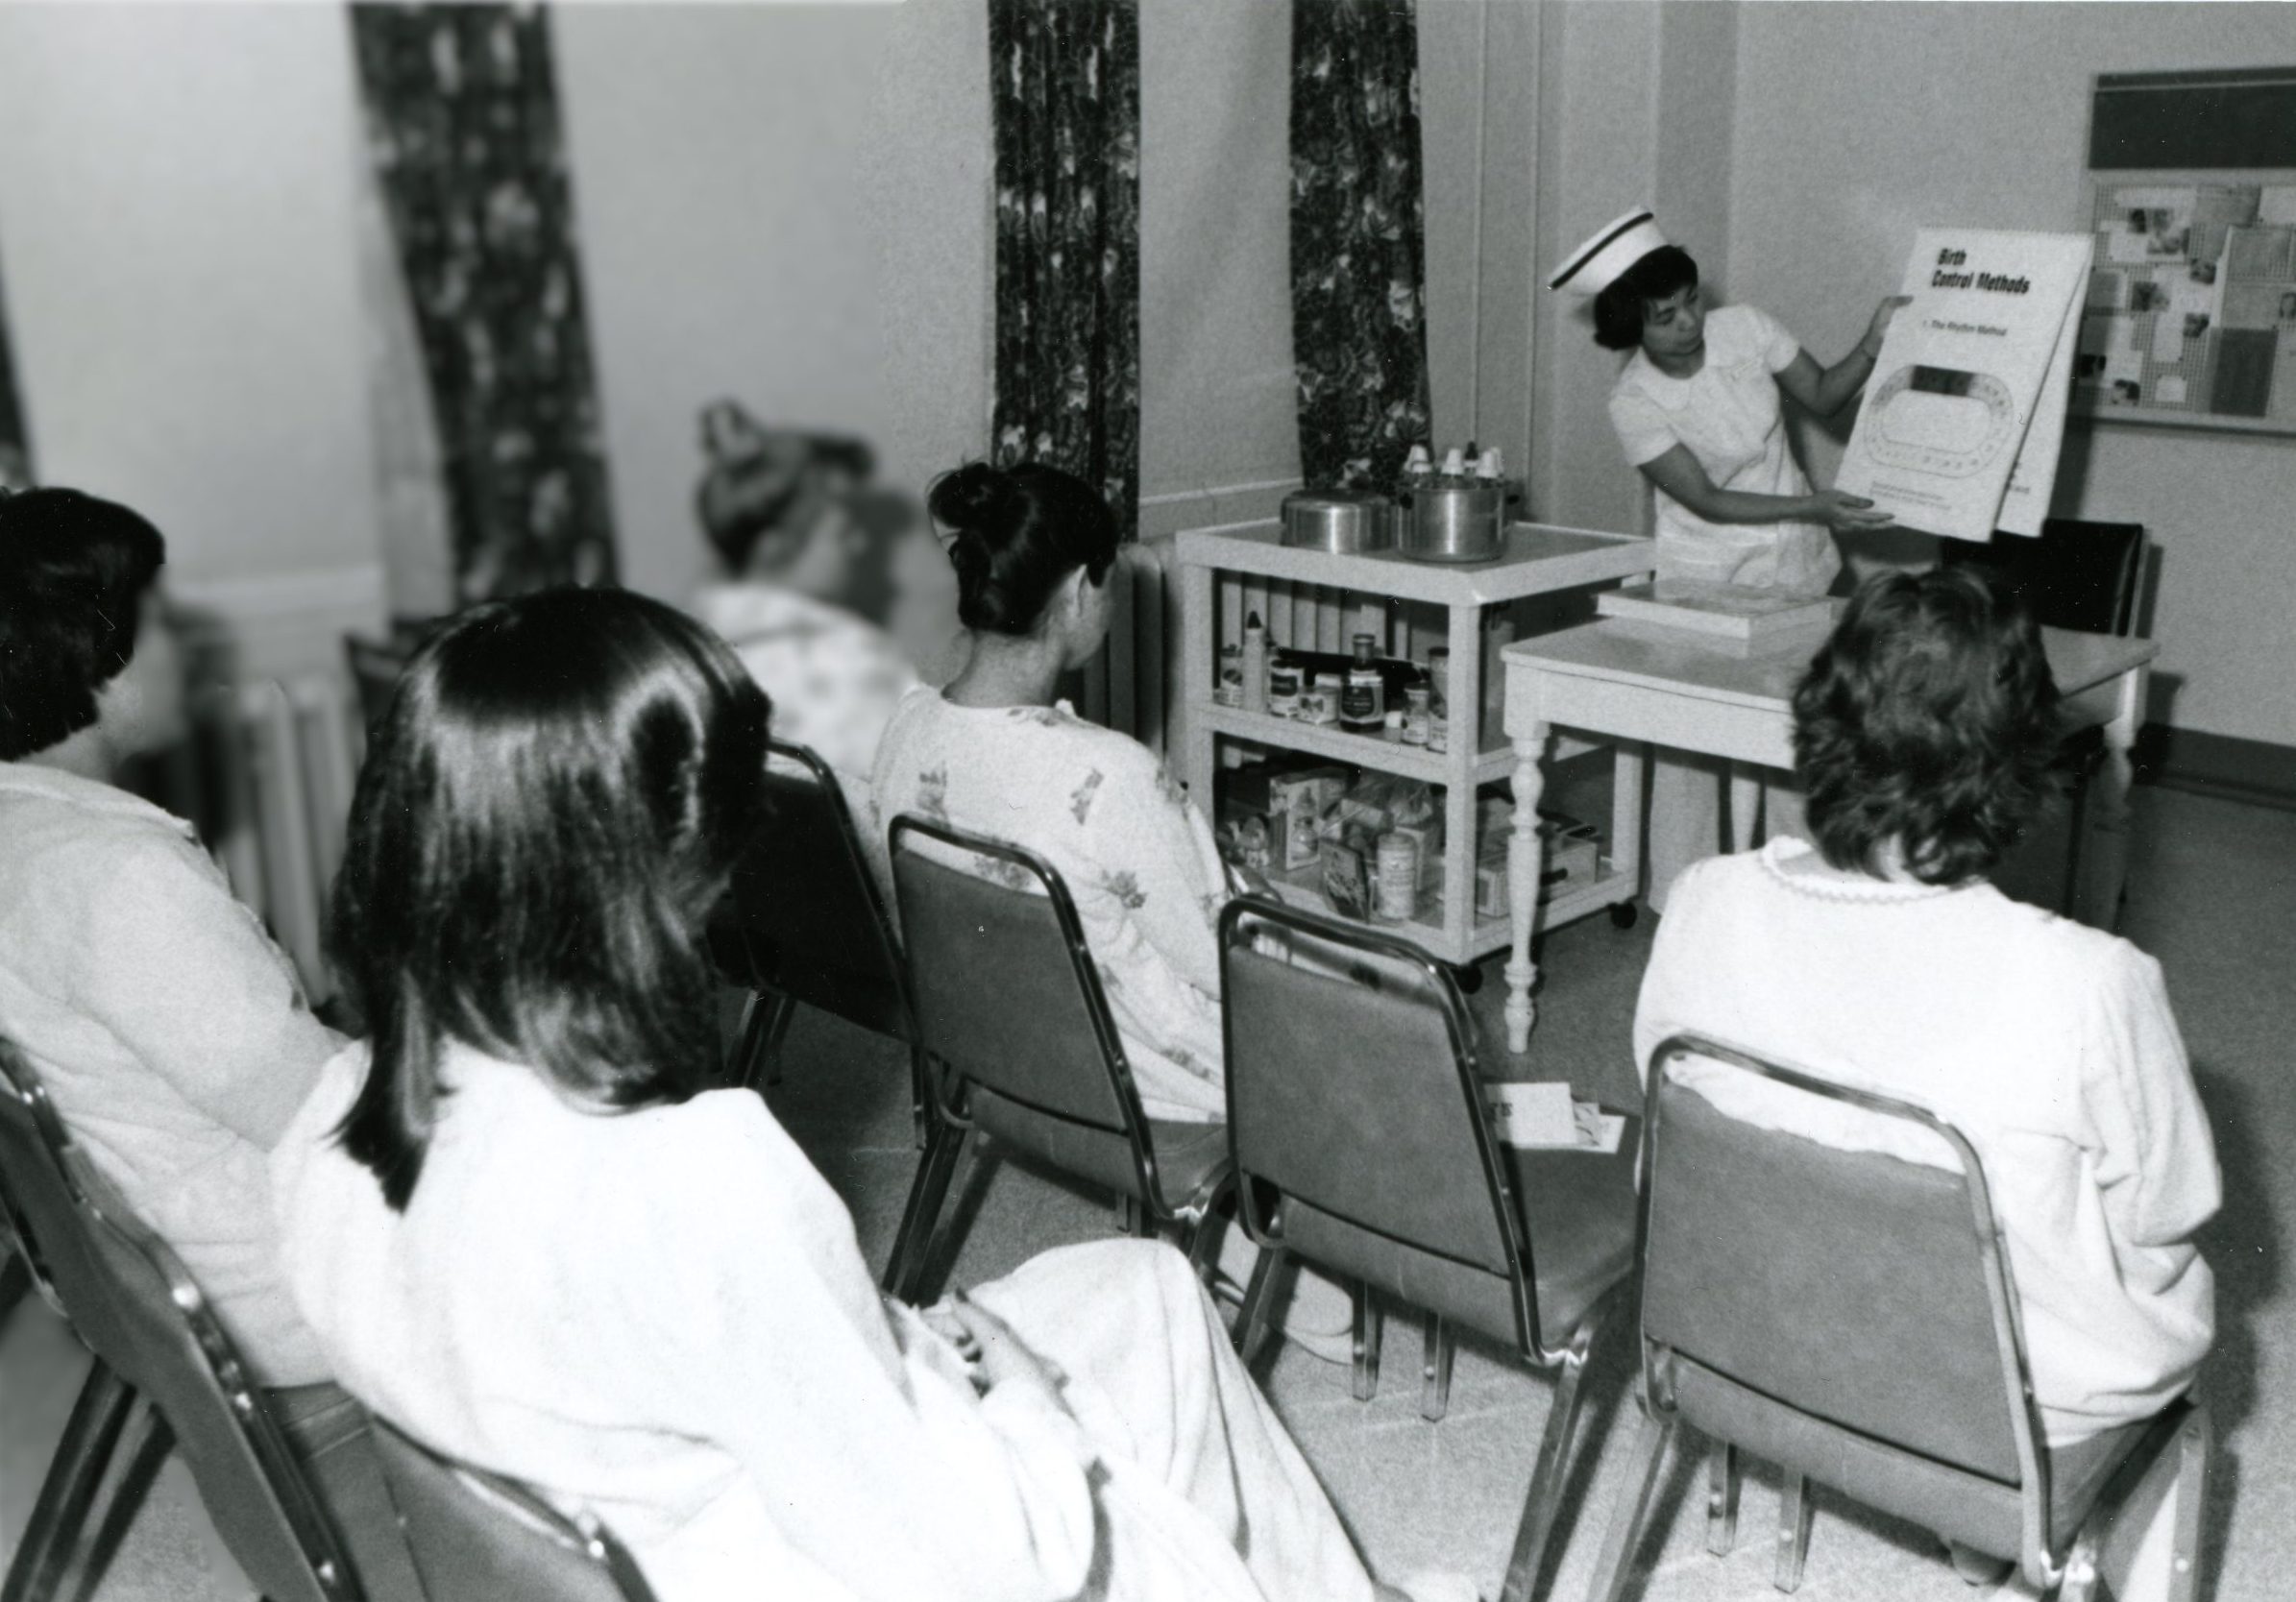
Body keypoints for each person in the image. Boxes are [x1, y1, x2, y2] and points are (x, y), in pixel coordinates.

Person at [268, 587, 1456, 1602]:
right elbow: (997, 1562)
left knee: (1149, 1288)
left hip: (686, 1502)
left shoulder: (328, 1119)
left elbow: (674, 1344)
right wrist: (1026, 1405)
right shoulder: (695, 1175)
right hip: (813, 1561)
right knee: (1122, 1493)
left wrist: (892, 1347)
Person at [1633, 566, 2215, 1601]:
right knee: (2165, 1289)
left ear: (1819, 719)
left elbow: (1662, 1106)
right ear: (2020, 763)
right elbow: (2170, 1210)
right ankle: (1999, 1527)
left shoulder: (1703, 898)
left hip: (1744, 1344)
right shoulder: (2089, 980)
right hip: (1993, 1416)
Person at [0, 487, 419, 1600]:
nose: (190, 642)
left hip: (173, 1258)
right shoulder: (116, 880)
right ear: (92, 660)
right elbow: (327, 1116)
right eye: (166, 617)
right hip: (287, 1288)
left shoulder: (23, 836)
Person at [1551, 206, 1910, 910]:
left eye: (1691, 301)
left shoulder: (1745, 327)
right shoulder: (1634, 401)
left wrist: (1873, 343)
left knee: (1802, 729)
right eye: (1665, 316)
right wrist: (1815, 505)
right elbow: (1708, 500)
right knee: (1691, 745)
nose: (1689, 322)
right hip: (1705, 578)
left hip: (1794, 564)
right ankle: (1684, 900)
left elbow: (1826, 395)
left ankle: (1803, 894)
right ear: (1631, 327)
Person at [871, 461, 1230, 1125]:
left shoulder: (907, 726)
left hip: (996, 1057)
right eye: (1111, 583)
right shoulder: (1109, 775)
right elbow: (1222, 964)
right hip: (1145, 1088)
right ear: (1078, 592)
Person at [691, 399, 918, 819]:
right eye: (843, 531)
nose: (858, 545)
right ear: (776, 546)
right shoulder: (852, 659)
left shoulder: (690, 658)